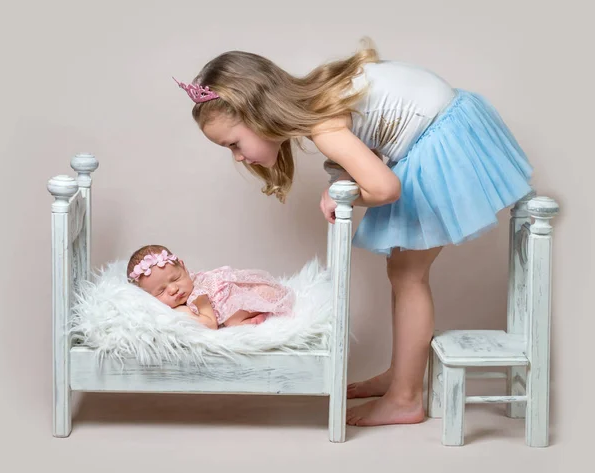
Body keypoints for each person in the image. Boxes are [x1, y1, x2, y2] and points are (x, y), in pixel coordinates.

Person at [173, 38, 533, 426]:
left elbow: (385, 188)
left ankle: (406, 398)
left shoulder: (323, 125)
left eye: (234, 144)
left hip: (443, 139)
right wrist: (347, 174)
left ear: (260, 114)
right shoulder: (321, 98)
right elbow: (373, 135)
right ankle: (400, 377)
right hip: (450, 122)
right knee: (402, 272)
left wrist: (342, 196)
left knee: (408, 274)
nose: (239, 157)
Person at [127, 245, 295, 329]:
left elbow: (210, 324)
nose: (173, 289)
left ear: (184, 268)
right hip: (250, 294)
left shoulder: (197, 295)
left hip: (254, 293)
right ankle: (257, 316)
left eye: (176, 278)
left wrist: (181, 313)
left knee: (230, 319)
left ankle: (250, 318)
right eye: (161, 291)